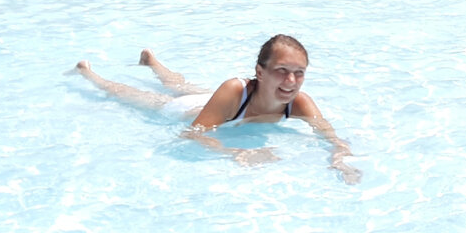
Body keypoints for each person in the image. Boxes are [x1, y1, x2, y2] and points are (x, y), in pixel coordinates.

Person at [74, 36, 360, 183]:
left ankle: (152, 63)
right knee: (132, 95)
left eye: (299, 73)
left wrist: (340, 160)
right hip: (183, 110)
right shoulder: (234, 89)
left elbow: (332, 138)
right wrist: (236, 152)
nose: (291, 81)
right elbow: (192, 134)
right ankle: (89, 74)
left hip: (214, 102)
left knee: (180, 83)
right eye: (282, 71)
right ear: (260, 72)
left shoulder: (299, 102)